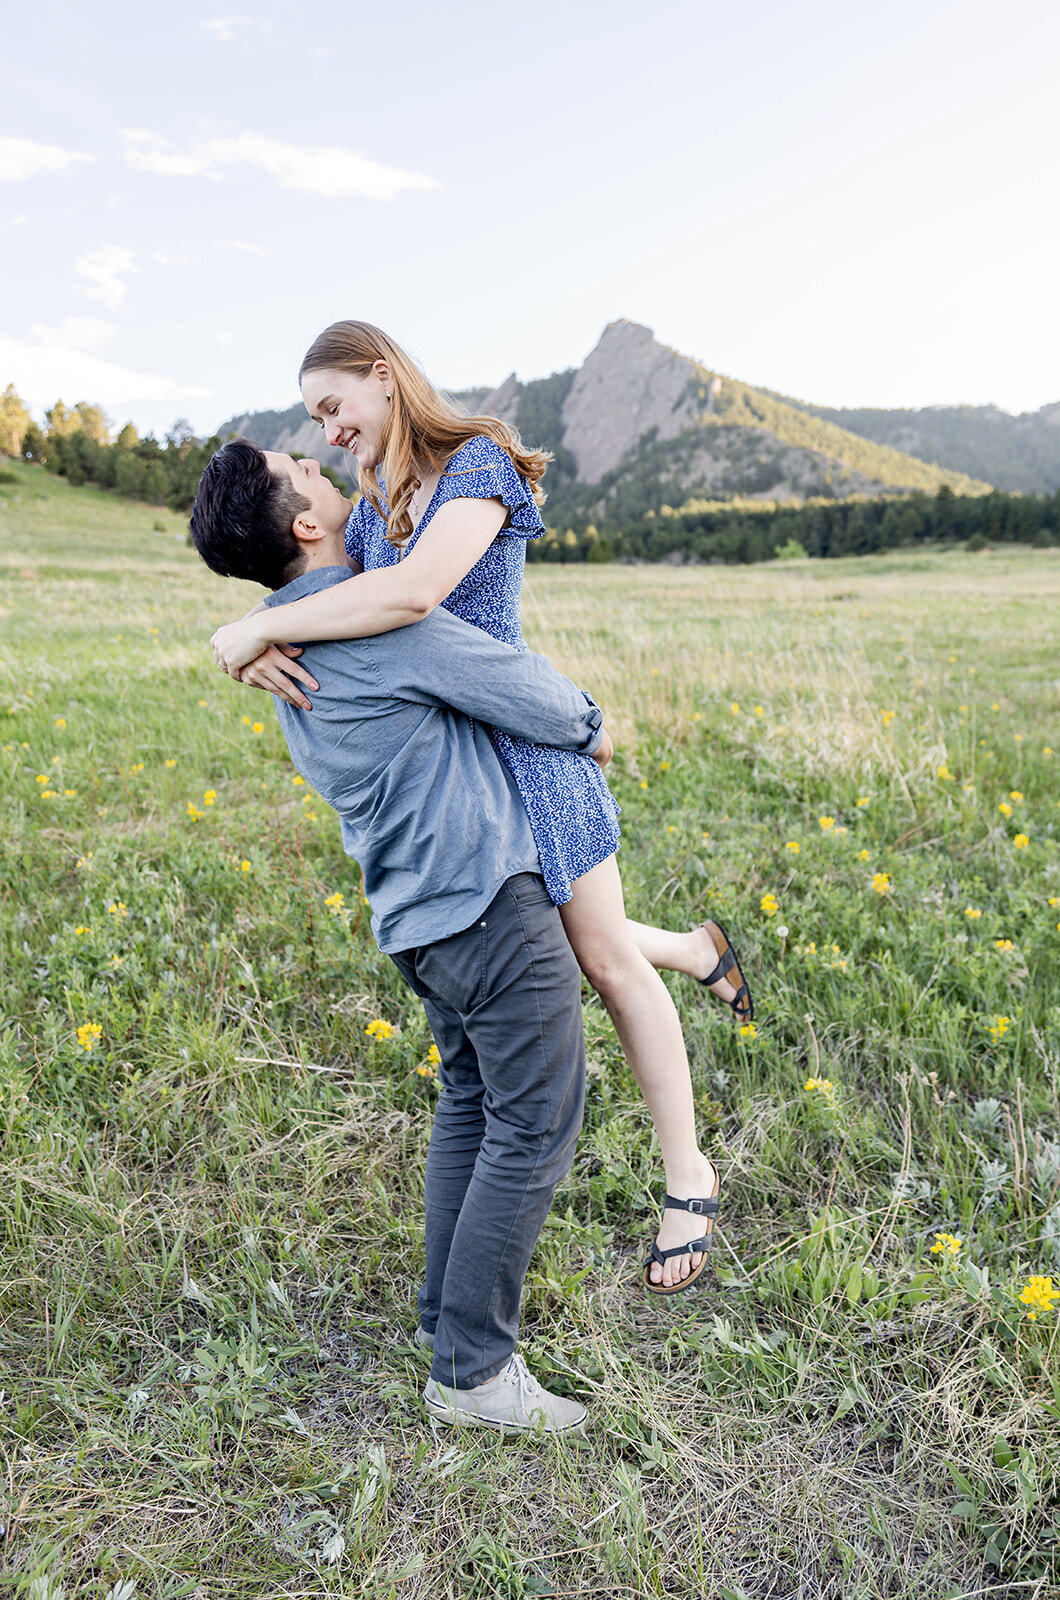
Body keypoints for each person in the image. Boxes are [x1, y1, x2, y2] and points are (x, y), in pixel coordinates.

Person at [209, 322, 748, 1292]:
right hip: (459, 775)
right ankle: (698, 948)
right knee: (577, 939)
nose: (329, 432)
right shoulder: (368, 503)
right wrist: (254, 636)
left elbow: (410, 598)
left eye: (334, 406)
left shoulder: (476, 465)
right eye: (316, 422)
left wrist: (254, 625)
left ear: (383, 377)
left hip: (528, 750)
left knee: (603, 962)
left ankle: (686, 1178)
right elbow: (339, 595)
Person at [190, 437, 614, 1433]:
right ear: (305, 522)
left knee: (472, 1100)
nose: (314, 453)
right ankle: (471, 1372)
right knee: (536, 1117)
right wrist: (594, 726)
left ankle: (443, 1320)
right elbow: (517, 687)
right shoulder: (369, 620)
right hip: (484, 898)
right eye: (299, 459)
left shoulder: (274, 635)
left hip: (416, 916)